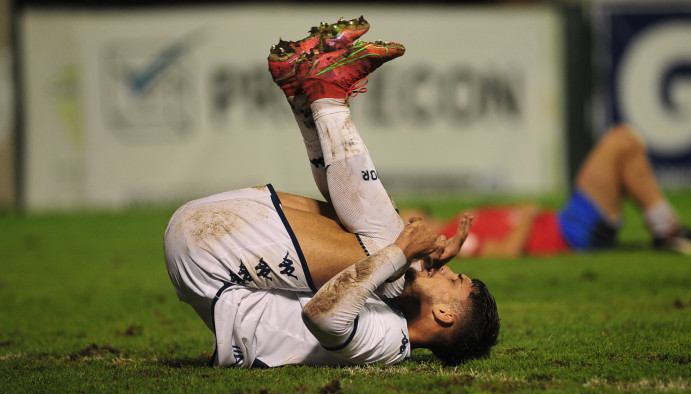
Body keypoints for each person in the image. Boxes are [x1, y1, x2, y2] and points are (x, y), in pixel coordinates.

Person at [163, 17, 500, 368]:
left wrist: (403, 252)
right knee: (379, 245)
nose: (448, 270)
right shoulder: (394, 317)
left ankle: (327, 95)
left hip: (210, 255)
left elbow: (321, 315)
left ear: (444, 313)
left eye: (455, 279)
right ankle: (301, 91)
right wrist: (413, 260)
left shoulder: (386, 341)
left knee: (388, 246)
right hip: (214, 245)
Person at [401, 125, 691, 258]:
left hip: (566, 224)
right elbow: (506, 253)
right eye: (400, 218)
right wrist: (527, 215)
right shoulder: (450, 238)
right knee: (619, 140)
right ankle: (668, 230)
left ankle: (667, 229)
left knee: (625, 148)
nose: (404, 214)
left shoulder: (453, 222)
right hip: (570, 232)